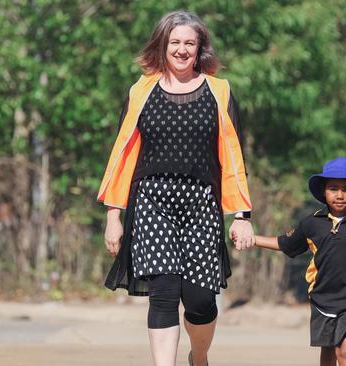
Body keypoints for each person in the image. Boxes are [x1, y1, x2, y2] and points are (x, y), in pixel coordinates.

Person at [96, 10, 255, 366]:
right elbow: (122, 154)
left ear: (200, 49)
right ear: (162, 45)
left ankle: (198, 356)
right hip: (152, 199)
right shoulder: (141, 90)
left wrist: (241, 215)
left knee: (200, 300)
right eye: (175, 43)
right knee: (164, 292)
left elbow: (233, 158)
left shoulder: (220, 91)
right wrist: (113, 214)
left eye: (190, 43)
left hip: (202, 202)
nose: (182, 50)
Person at [250, 157, 346, 366]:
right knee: (328, 352)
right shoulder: (311, 223)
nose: (339, 195)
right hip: (322, 299)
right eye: (333, 188)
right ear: (323, 191)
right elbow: (285, 243)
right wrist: (253, 239)